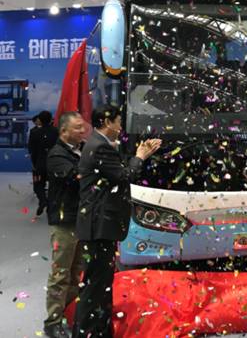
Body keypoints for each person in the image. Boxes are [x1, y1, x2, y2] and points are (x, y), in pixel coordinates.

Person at [72, 105, 161, 337]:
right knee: (95, 287)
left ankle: (100, 332)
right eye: (119, 121)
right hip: (99, 226)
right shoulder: (99, 147)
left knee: (100, 285)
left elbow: (117, 171)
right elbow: (125, 175)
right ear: (106, 121)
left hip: (98, 226)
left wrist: (139, 155)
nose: (121, 126)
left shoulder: (98, 144)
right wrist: (140, 157)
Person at [43, 112, 86, 338]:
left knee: (76, 271)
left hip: (81, 220)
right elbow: (76, 177)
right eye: (77, 127)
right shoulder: (57, 155)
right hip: (64, 223)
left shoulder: (82, 149)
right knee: (61, 273)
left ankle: (69, 313)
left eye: (83, 126)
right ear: (64, 131)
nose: (83, 131)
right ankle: (52, 321)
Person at [28, 110, 58, 216]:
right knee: (54, 186)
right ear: (51, 119)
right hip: (54, 164)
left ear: (39, 120)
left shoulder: (34, 132)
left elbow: (32, 150)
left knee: (37, 185)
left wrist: (34, 164)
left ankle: (43, 200)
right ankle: (50, 205)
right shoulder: (56, 131)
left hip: (39, 164)